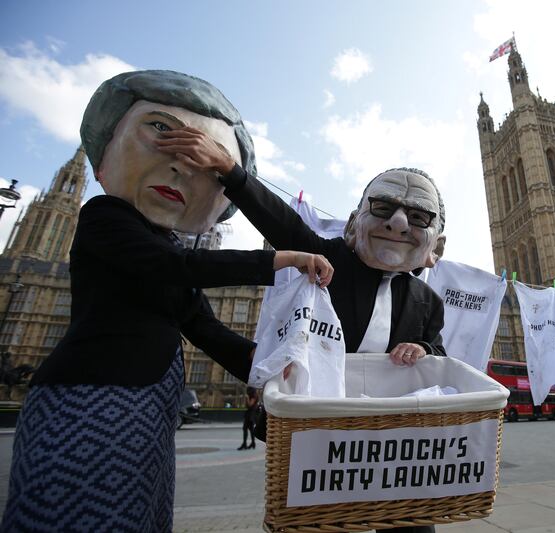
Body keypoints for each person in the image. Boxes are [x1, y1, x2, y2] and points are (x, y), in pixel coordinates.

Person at [1, 70, 333, 533]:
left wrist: (274, 367)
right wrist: (281, 259)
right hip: (87, 404)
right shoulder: (104, 219)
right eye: (160, 131)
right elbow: (176, 269)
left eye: (205, 166)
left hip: (151, 415)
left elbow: (205, 329)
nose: (181, 168)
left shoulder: (169, 247)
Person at [155, 130, 448, 533]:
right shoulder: (326, 260)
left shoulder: (428, 300)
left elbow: (439, 356)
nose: (398, 225)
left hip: (393, 443)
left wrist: (423, 349)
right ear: (354, 222)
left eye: (419, 217)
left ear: (436, 245)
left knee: (411, 527)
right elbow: (280, 221)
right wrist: (228, 170)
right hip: (318, 436)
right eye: (382, 207)